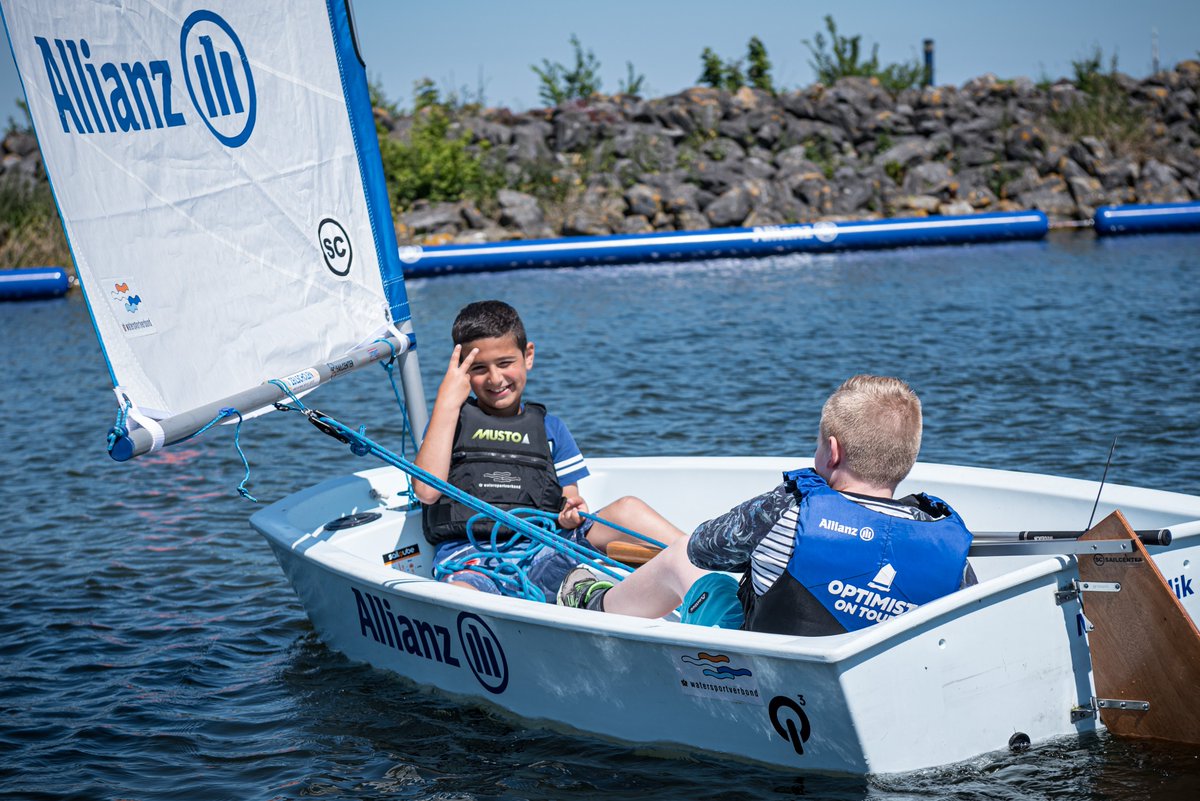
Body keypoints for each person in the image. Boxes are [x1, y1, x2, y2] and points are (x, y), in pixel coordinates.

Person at [558, 374, 976, 636]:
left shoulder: (787, 507)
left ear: (831, 452)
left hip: (763, 668)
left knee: (677, 561)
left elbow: (702, 548)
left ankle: (595, 603)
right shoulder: (944, 537)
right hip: (877, 666)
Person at [412, 300, 685, 600]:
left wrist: (571, 513)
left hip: (544, 554)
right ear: (462, 372)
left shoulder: (551, 429)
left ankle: (705, 563)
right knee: (462, 595)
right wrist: (446, 401)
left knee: (628, 508)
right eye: (479, 369)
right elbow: (426, 491)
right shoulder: (449, 424)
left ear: (528, 355)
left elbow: (569, 500)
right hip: (472, 563)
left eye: (505, 363)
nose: (495, 379)